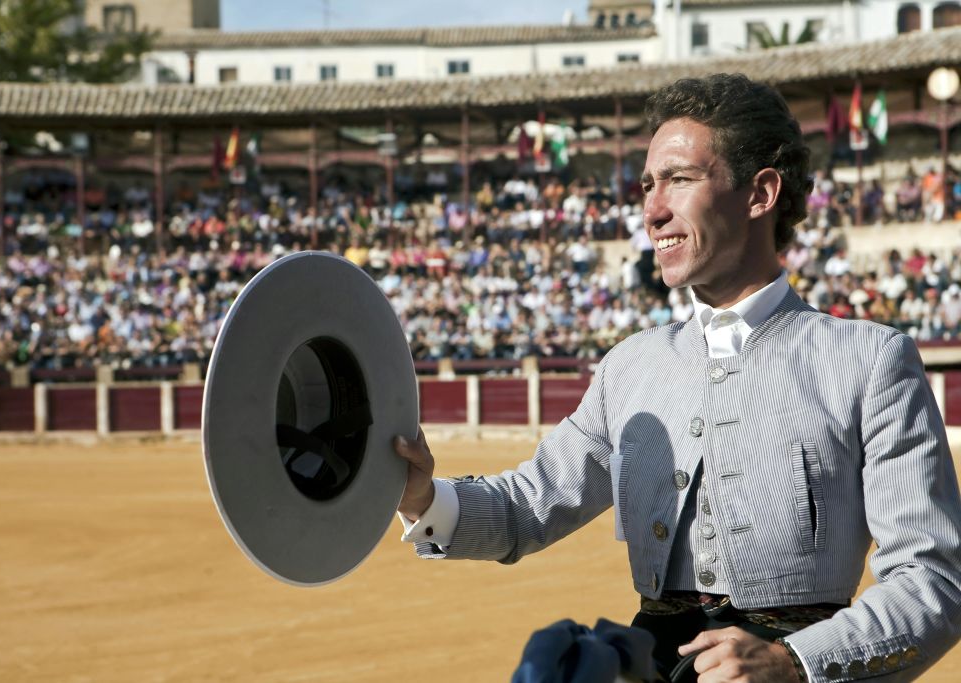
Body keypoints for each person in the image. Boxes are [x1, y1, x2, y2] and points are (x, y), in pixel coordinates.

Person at [393, 73, 961, 682]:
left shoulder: (869, 361)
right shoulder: (631, 367)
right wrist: (423, 497)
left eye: (680, 179)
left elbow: (933, 582)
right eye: (647, 184)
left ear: (760, 194)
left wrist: (796, 661)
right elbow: (529, 505)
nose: (652, 209)